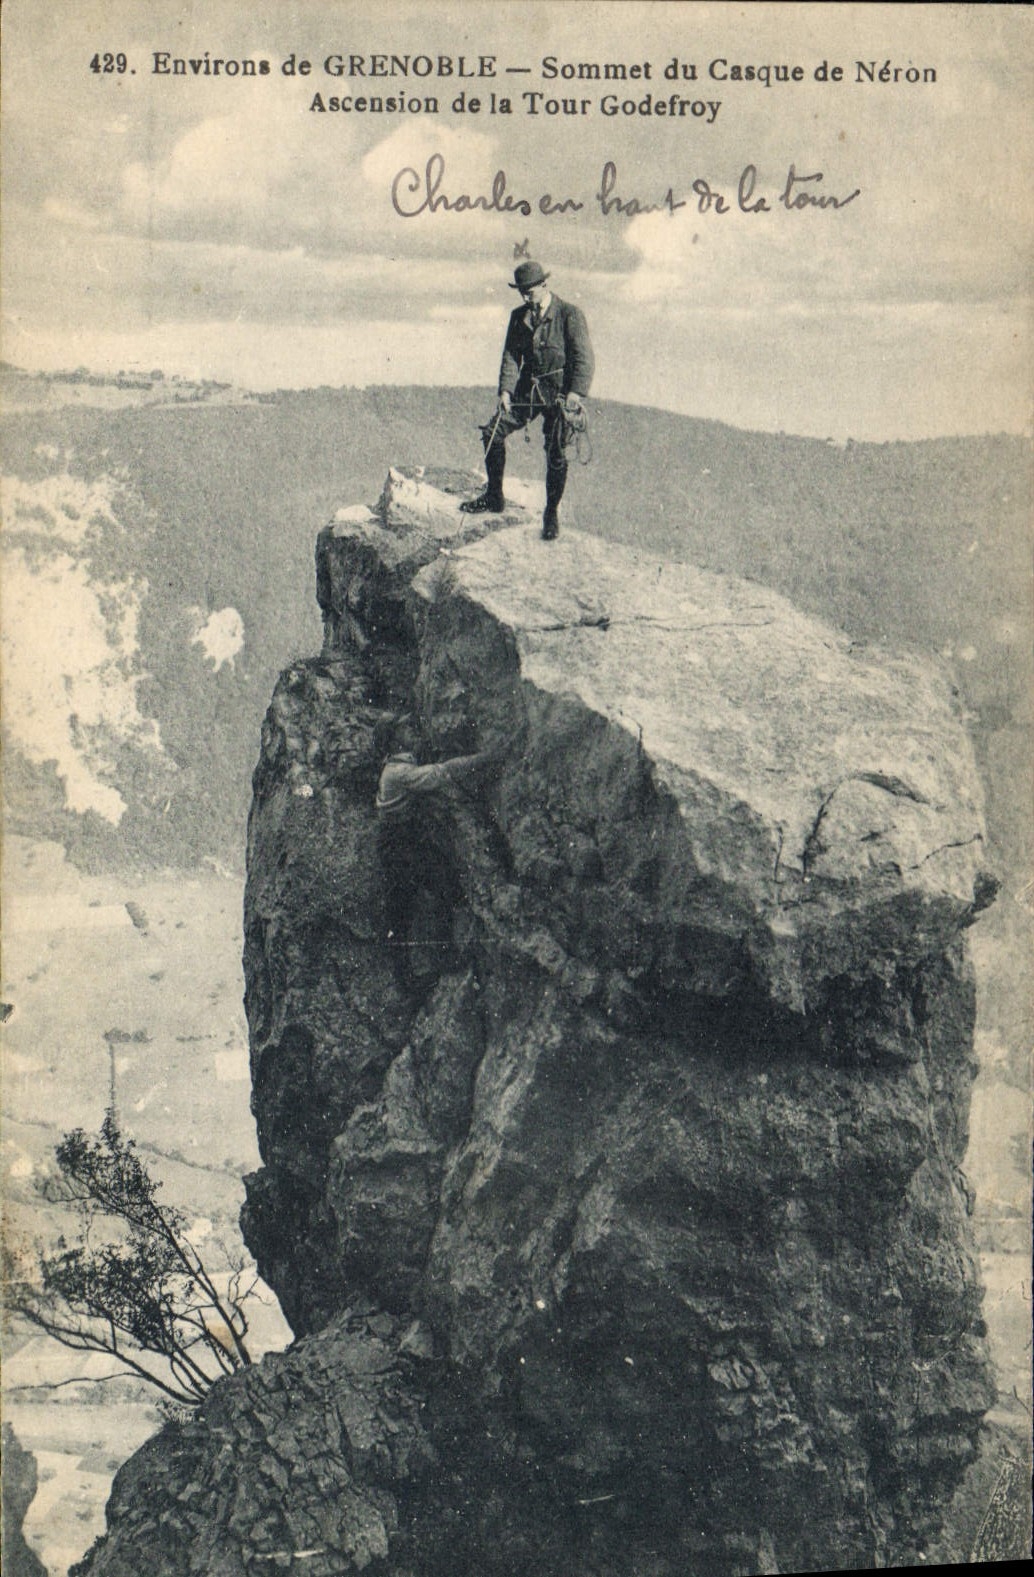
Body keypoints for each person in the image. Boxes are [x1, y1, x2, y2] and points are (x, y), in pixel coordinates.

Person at [461, 260, 594, 540]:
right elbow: (511, 356)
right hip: (528, 392)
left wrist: (575, 394)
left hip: (560, 395)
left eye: (529, 291)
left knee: (556, 453)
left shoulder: (569, 315)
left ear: (544, 285)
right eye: (521, 292)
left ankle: (551, 514)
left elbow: (584, 358)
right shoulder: (518, 317)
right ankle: (494, 497)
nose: (525, 297)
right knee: (492, 432)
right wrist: (505, 391)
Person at [374, 744, 496, 993]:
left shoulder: (399, 763)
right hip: (397, 847)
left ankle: (438, 956)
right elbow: (442, 772)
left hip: (405, 840)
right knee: (401, 912)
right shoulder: (397, 772)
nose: (409, 732)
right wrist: (485, 758)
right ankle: (411, 978)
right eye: (403, 730)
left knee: (440, 886)